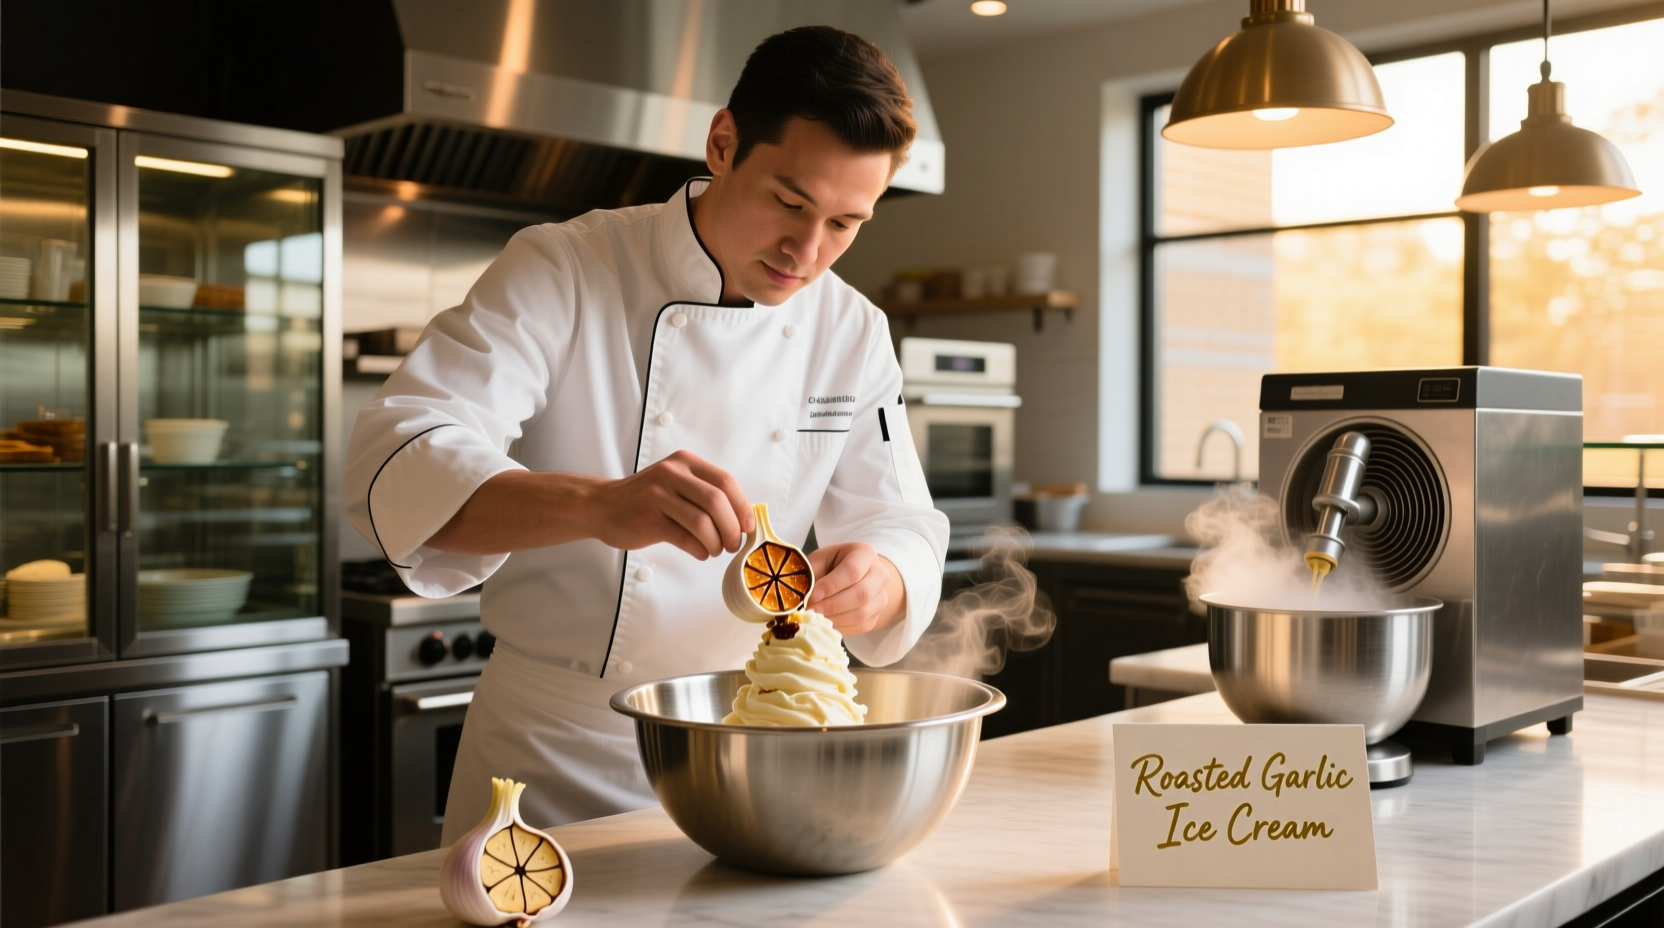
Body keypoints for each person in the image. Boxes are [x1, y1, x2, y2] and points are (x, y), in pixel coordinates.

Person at [345, 25, 948, 840]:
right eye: (789, 202)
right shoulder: (566, 267)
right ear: (724, 142)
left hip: (754, 749)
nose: (806, 254)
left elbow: (900, 519)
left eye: (846, 224)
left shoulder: (852, 330)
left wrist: (883, 578)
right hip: (555, 759)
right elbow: (397, 453)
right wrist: (597, 505)